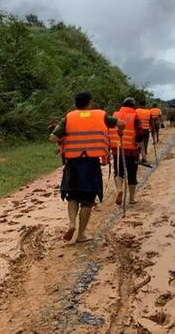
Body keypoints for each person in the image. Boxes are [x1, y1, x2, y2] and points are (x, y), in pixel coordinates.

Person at [49, 91, 124, 242]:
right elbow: (120, 123)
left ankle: (71, 224)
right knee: (88, 200)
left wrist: (63, 137)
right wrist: (120, 130)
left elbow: (53, 137)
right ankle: (81, 234)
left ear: (75, 104)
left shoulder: (68, 118)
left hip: (73, 163)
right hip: (91, 163)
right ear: (90, 103)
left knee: (72, 195)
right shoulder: (101, 115)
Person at [109, 97, 144, 205]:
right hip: (132, 150)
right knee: (132, 173)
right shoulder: (135, 116)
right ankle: (131, 198)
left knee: (118, 171)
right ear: (133, 106)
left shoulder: (114, 115)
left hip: (117, 149)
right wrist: (140, 144)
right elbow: (139, 133)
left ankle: (119, 189)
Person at [135, 99, 152, 166]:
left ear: (139, 104)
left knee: (137, 144)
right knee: (145, 144)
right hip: (146, 130)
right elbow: (151, 121)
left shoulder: (136, 111)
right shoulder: (149, 111)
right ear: (145, 104)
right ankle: (144, 158)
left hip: (138, 130)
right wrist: (152, 128)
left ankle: (138, 158)